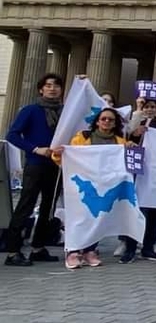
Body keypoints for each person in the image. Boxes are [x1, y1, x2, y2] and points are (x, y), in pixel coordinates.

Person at [52, 107, 129, 269]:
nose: (107, 122)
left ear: (115, 123)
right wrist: (59, 154)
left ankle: (89, 251)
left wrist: (133, 149)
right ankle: (73, 252)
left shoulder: (120, 141)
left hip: (105, 186)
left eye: (110, 120)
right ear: (97, 121)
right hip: (83, 185)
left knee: (97, 218)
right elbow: (70, 158)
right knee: (78, 218)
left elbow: (129, 161)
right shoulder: (83, 137)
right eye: (103, 119)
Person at [4, 73, 64, 266]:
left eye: (56, 85)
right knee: (26, 205)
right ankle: (13, 251)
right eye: (48, 85)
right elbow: (12, 135)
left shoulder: (64, 112)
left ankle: (38, 247)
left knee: (48, 207)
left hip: (56, 166)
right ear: (41, 89)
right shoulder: (31, 110)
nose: (52, 88)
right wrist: (35, 149)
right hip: (35, 164)